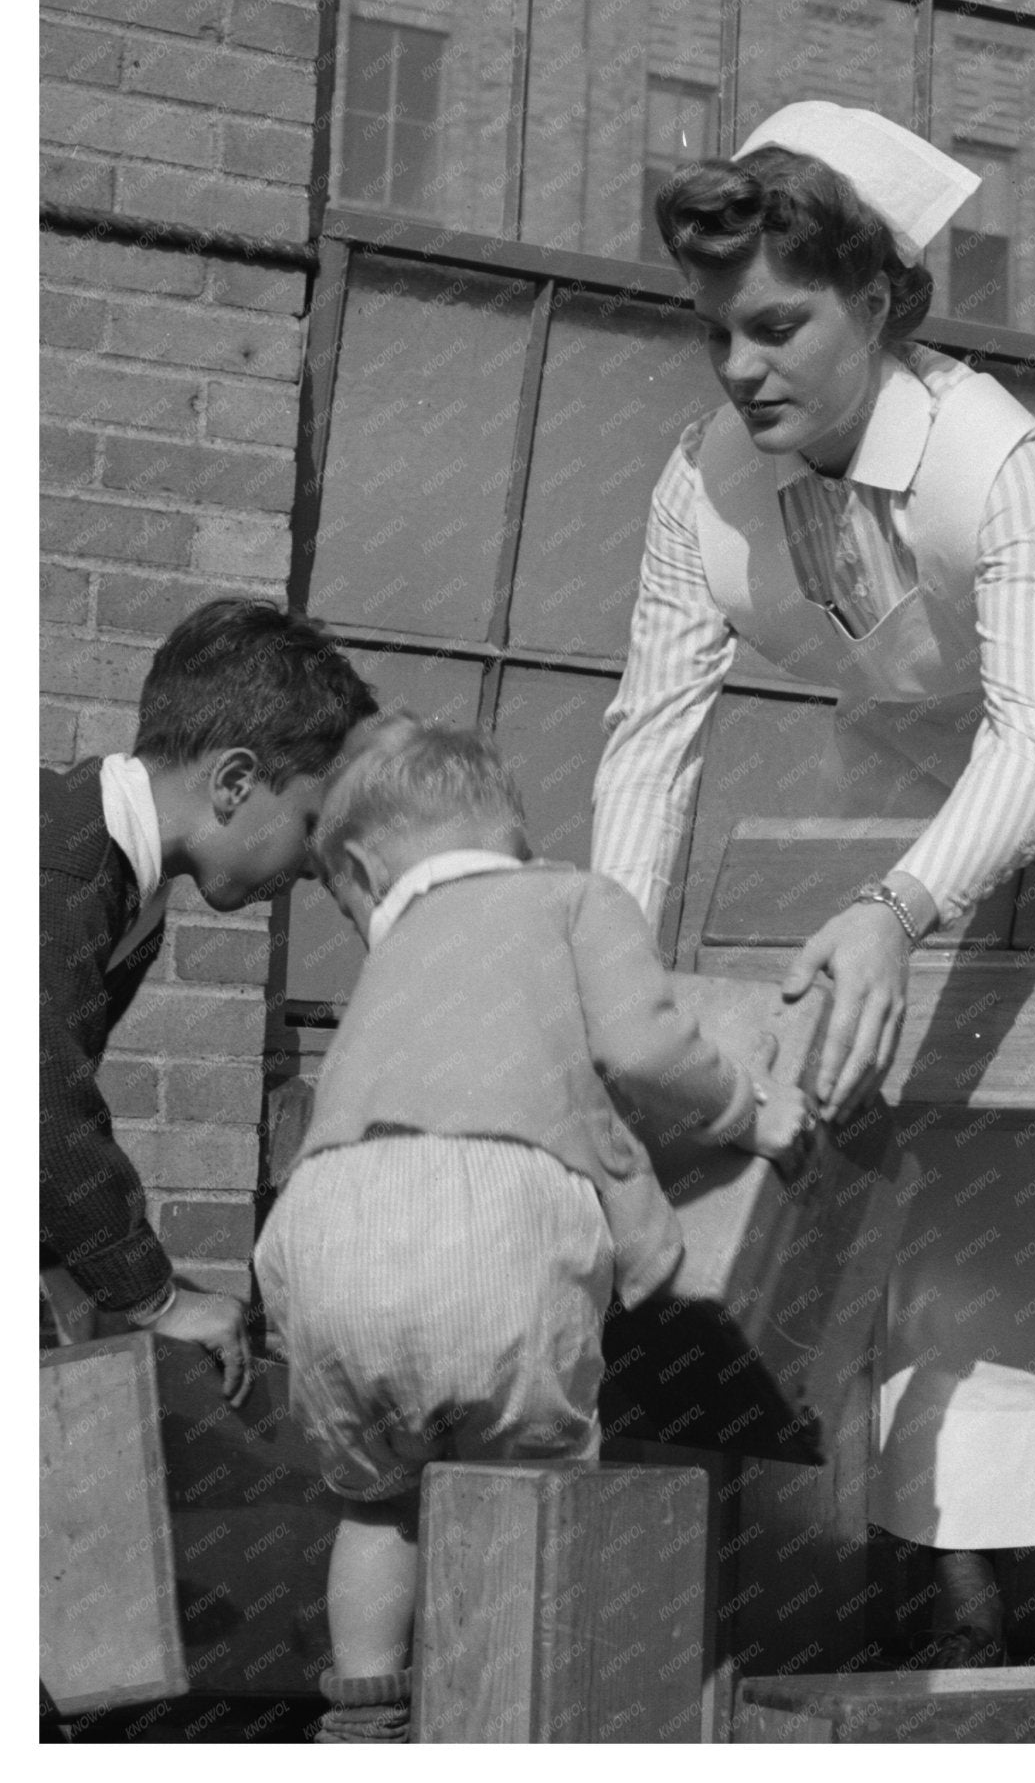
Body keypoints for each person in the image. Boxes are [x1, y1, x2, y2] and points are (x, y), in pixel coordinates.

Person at [592, 100, 1035, 1662]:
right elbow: (652, 744)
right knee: (894, 1196)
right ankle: (928, 1592)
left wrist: (903, 909)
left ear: (877, 300)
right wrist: (618, 969)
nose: (742, 369)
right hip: (899, 799)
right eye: (717, 332)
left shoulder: (997, 455)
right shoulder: (697, 489)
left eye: (780, 326)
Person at [254, 712, 809, 1742]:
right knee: (527, 1491)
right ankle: (503, 1721)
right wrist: (743, 1105)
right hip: (490, 1221)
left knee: (375, 1498)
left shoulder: (397, 953)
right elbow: (642, 1047)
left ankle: (363, 1716)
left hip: (320, 1224)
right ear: (509, 830)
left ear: (370, 871)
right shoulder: (572, 895)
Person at [41, 597, 377, 1405]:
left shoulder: (120, 880)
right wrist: (150, 1296)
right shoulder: (64, 874)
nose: (308, 865)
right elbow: (40, 1100)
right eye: (308, 822)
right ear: (233, 781)